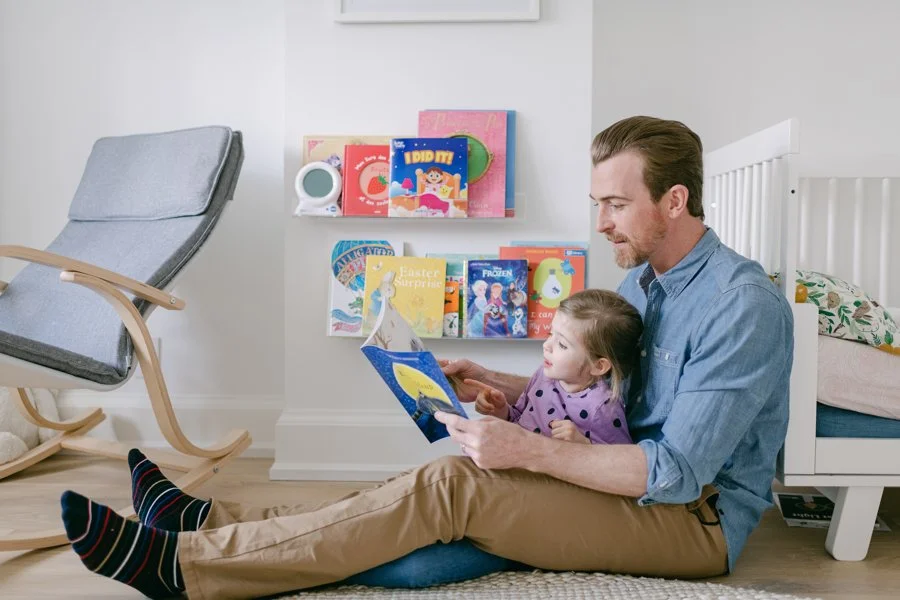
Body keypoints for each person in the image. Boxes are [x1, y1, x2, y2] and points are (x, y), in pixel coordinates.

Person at [59, 116, 794, 600]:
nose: (600, 222)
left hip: (689, 521)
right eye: (596, 202)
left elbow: (675, 473)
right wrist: (495, 383)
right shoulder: (644, 280)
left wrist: (527, 451)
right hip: (620, 478)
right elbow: (606, 402)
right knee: (416, 546)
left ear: (674, 201)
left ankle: (187, 567)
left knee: (451, 489)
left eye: (615, 205)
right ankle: (206, 518)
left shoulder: (741, 305)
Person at [470, 288, 639, 446]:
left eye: (563, 345)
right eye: (550, 334)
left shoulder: (602, 407)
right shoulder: (543, 377)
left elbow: (618, 462)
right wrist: (501, 410)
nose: (547, 345)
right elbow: (520, 419)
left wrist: (583, 444)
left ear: (598, 366)